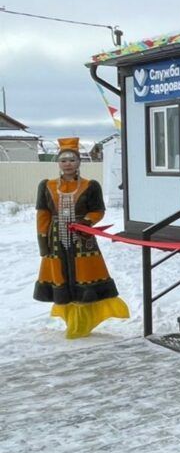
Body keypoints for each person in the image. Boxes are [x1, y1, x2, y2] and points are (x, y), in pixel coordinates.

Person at [34, 137, 129, 338]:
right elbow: (43, 215)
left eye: (72, 160)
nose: (68, 164)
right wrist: (43, 242)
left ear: (79, 162)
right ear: (58, 163)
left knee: (84, 276)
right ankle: (70, 320)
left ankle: (83, 321)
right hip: (56, 239)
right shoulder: (47, 186)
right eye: (63, 160)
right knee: (62, 275)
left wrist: (86, 221)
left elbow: (98, 210)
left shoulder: (90, 186)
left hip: (83, 238)